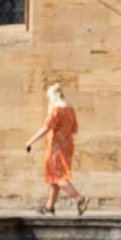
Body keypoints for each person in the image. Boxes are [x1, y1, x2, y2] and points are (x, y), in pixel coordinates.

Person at [25, 84, 86, 215]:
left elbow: (46, 127)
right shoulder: (70, 110)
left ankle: (80, 199)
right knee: (54, 178)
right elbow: (75, 129)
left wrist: (30, 141)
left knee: (58, 177)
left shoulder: (56, 110)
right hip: (67, 146)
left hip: (56, 147)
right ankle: (49, 207)